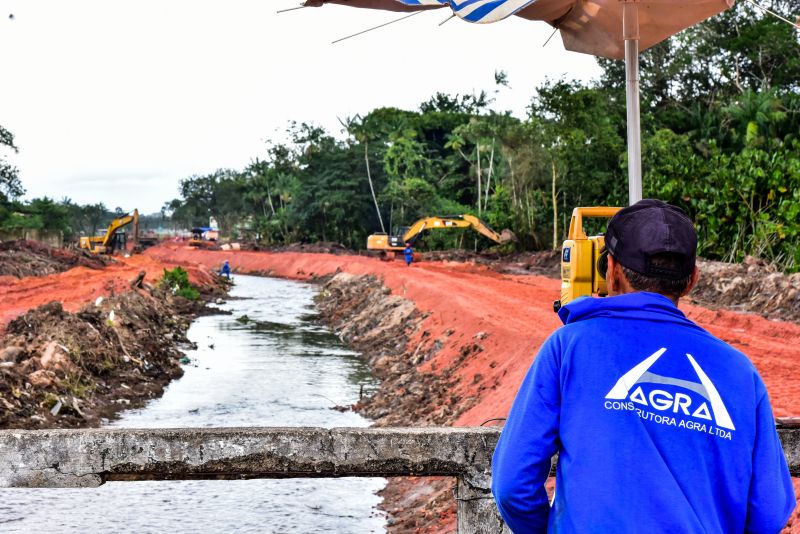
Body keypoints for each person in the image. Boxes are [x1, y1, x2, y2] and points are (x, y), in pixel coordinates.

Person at [492, 199, 795, 533]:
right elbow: (768, 514)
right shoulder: (741, 372)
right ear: (692, 279)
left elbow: (512, 484)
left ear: (611, 271)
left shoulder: (569, 347)